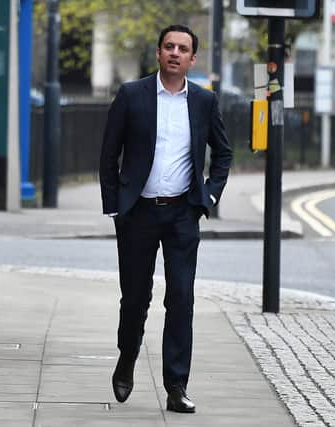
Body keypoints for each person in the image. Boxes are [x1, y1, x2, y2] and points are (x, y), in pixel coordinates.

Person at [99, 24, 232, 414]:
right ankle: (127, 358)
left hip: (182, 214)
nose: (175, 52)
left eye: (183, 48)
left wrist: (207, 195)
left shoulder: (204, 102)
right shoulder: (131, 95)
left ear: (192, 59)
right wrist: (115, 206)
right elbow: (109, 154)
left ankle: (176, 386)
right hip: (138, 212)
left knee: (181, 298)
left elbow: (223, 153)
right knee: (136, 297)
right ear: (158, 53)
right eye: (169, 46)